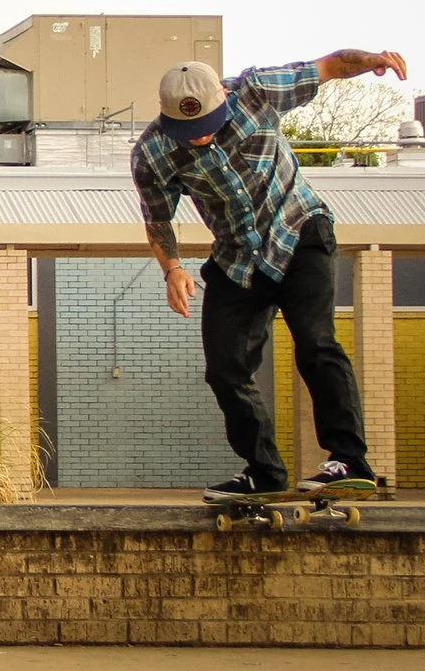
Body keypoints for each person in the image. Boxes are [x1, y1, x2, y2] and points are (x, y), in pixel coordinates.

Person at [130, 50, 408, 503]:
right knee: (224, 368)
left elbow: (330, 65)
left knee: (315, 342)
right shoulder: (153, 152)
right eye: (188, 133)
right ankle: (263, 472)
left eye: (207, 127)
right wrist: (173, 269)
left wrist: (373, 60)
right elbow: (158, 220)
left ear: (223, 95)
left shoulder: (257, 91)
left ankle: (349, 460)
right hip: (237, 259)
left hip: (299, 233)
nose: (199, 140)